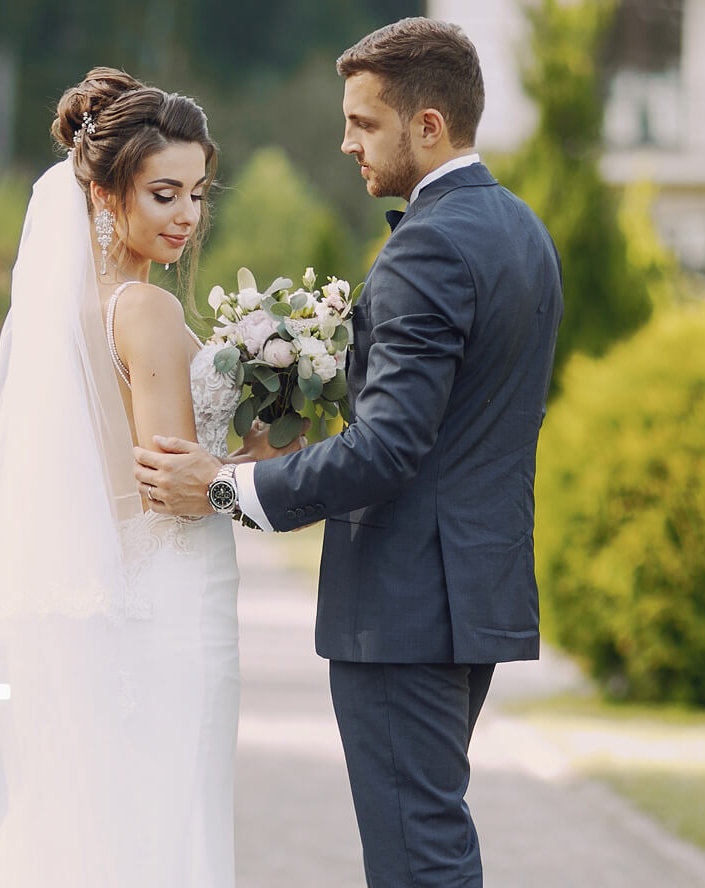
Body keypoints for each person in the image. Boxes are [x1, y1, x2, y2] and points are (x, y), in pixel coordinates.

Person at [134, 18, 564, 887]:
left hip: (405, 607)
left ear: (429, 125)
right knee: (431, 838)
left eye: (365, 123)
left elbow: (388, 450)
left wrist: (223, 487)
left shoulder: (426, 249)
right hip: (470, 593)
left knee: (417, 859)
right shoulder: (521, 233)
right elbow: (447, 428)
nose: (345, 143)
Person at [0, 68, 286, 886]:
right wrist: (276, 459)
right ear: (109, 196)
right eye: (165, 194)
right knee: (167, 815)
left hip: (130, 595)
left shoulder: (78, 314)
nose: (187, 215)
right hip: (174, 598)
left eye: (199, 194)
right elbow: (172, 487)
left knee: (106, 810)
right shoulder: (144, 311)